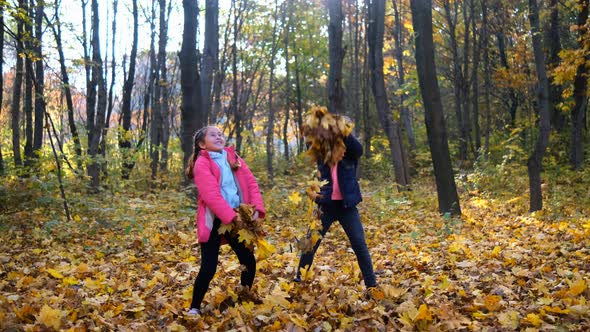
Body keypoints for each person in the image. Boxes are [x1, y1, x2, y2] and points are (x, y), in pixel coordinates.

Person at [185, 126, 265, 315]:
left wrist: (256, 209)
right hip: (215, 221)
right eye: (213, 135)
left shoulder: (233, 157)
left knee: (248, 261)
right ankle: (194, 307)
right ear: (202, 144)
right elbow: (210, 195)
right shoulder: (201, 163)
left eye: (220, 134)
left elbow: (251, 183)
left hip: (238, 217)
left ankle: (243, 297)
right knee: (209, 267)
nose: (219, 137)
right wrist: (231, 217)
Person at [294, 132, 378, 291]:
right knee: (310, 242)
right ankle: (299, 278)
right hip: (325, 206)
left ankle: (371, 284)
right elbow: (310, 144)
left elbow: (358, 149)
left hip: (347, 207)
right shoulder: (323, 152)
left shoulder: (350, 153)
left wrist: (345, 133)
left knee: (359, 244)